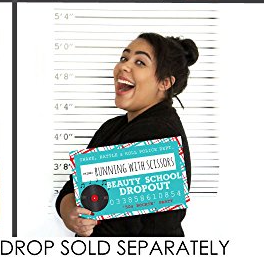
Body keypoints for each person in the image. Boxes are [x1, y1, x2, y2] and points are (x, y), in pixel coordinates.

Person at [55, 33, 198, 236]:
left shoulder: (159, 132)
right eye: (124, 58)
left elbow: (120, 227)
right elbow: (71, 188)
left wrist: (79, 215)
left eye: (140, 62)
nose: (124, 66)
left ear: (165, 83)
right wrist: (71, 214)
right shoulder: (112, 127)